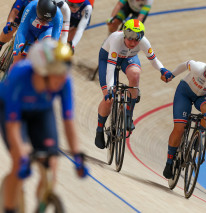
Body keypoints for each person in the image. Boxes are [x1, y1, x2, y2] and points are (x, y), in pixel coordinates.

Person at [0, 39, 88, 213]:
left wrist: (77, 155)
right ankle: (9, 208)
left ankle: (41, 204)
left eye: (64, 72)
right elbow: (13, 127)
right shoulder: (19, 76)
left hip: (41, 112)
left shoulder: (65, 81)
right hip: (11, 112)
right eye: (57, 73)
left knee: (52, 164)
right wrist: (22, 156)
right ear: (41, 72)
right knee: (20, 160)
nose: (62, 79)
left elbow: (68, 120)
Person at [94, 19, 171, 149]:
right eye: (130, 39)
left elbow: (153, 60)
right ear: (124, 35)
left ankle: (128, 115)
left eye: (136, 40)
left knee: (135, 75)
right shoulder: (116, 40)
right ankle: (100, 129)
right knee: (108, 99)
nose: (133, 43)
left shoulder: (144, 42)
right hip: (108, 58)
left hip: (128, 58)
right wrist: (110, 89)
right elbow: (111, 68)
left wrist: (162, 69)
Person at [162, 55, 206, 179]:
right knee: (179, 128)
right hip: (184, 93)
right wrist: (172, 75)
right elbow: (186, 64)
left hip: (203, 96)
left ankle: (198, 134)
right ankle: (169, 161)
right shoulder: (198, 68)